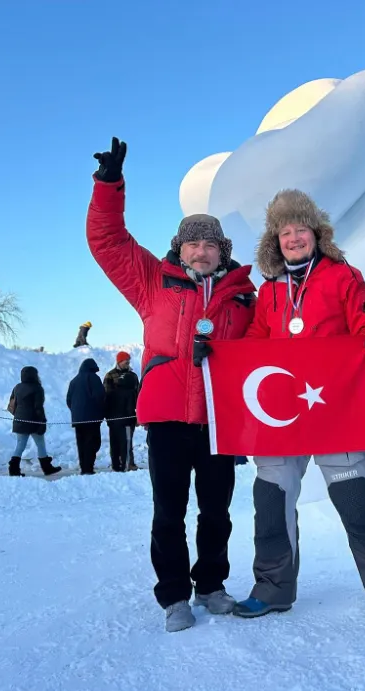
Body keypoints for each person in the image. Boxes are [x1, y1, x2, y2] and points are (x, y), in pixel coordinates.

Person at [218, 188, 365, 623]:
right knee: (271, 504)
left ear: (316, 233)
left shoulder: (343, 276)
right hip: (282, 417)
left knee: (359, 500)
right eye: (284, 231)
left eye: (300, 229)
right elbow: (255, 344)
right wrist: (218, 355)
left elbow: (363, 322)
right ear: (275, 241)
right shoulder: (268, 292)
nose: (293, 238)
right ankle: (272, 588)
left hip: (333, 409)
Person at [87, 137, 256, 632]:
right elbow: (108, 241)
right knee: (169, 512)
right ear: (179, 248)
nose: (200, 251)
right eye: (192, 242)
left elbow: (268, 350)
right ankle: (174, 596)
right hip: (166, 418)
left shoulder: (244, 297)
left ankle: (211, 586)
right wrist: (108, 185)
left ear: (222, 250)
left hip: (219, 421)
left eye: (209, 244)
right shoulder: (151, 282)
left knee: (217, 513)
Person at [7, 366, 62, 477]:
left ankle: (13, 469)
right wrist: (42, 421)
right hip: (33, 422)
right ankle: (47, 468)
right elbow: (38, 407)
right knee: (40, 444)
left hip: (19, 420)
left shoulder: (17, 387)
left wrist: (18, 415)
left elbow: (12, 404)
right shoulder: (37, 388)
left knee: (20, 445)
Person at [66, 358, 105, 475]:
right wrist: (100, 411)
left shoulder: (73, 381)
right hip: (92, 418)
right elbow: (100, 396)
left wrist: (76, 411)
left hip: (78, 419)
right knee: (92, 442)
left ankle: (84, 467)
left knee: (81, 443)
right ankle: (88, 468)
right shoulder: (94, 378)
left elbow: (69, 400)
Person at [104, 352, 139, 472]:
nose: (128, 363)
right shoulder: (110, 375)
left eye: (129, 361)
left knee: (128, 440)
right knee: (116, 440)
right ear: (119, 361)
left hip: (129, 415)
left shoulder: (133, 376)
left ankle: (128, 462)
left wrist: (138, 413)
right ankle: (118, 463)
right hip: (115, 416)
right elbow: (106, 396)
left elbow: (138, 395)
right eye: (126, 361)